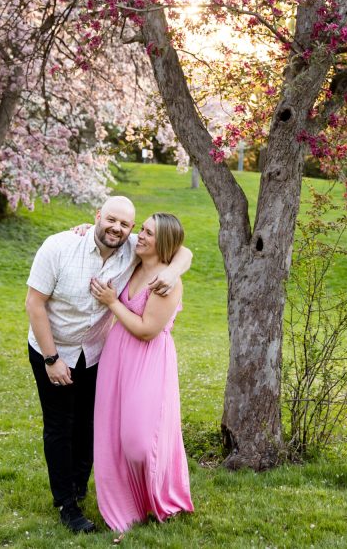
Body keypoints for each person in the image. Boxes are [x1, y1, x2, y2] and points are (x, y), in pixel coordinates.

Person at [24, 196, 192, 534]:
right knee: (59, 426)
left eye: (126, 225)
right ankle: (66, 505)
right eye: (110, 220)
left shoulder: (132, 248)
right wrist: (52, 358)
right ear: (97, 215)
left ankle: (79, 487)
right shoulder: (58, 247)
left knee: (87, 424)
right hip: (53, 349)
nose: (118, 228)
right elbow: (34, 304)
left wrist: (174, 270)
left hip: (96, 353)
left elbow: (181, 249)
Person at [91, 212, 193, 535]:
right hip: (116, 358)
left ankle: (156, 495)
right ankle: (126, 505)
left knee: (138, 441)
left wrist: (111, 302)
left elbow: (148, 330)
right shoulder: (133, 261)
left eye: (148, 233)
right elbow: (184, 251)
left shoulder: (167, 281)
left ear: (161, 242)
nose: (140, 236)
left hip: (147, 360)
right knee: (112, 435)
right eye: (142, 230)